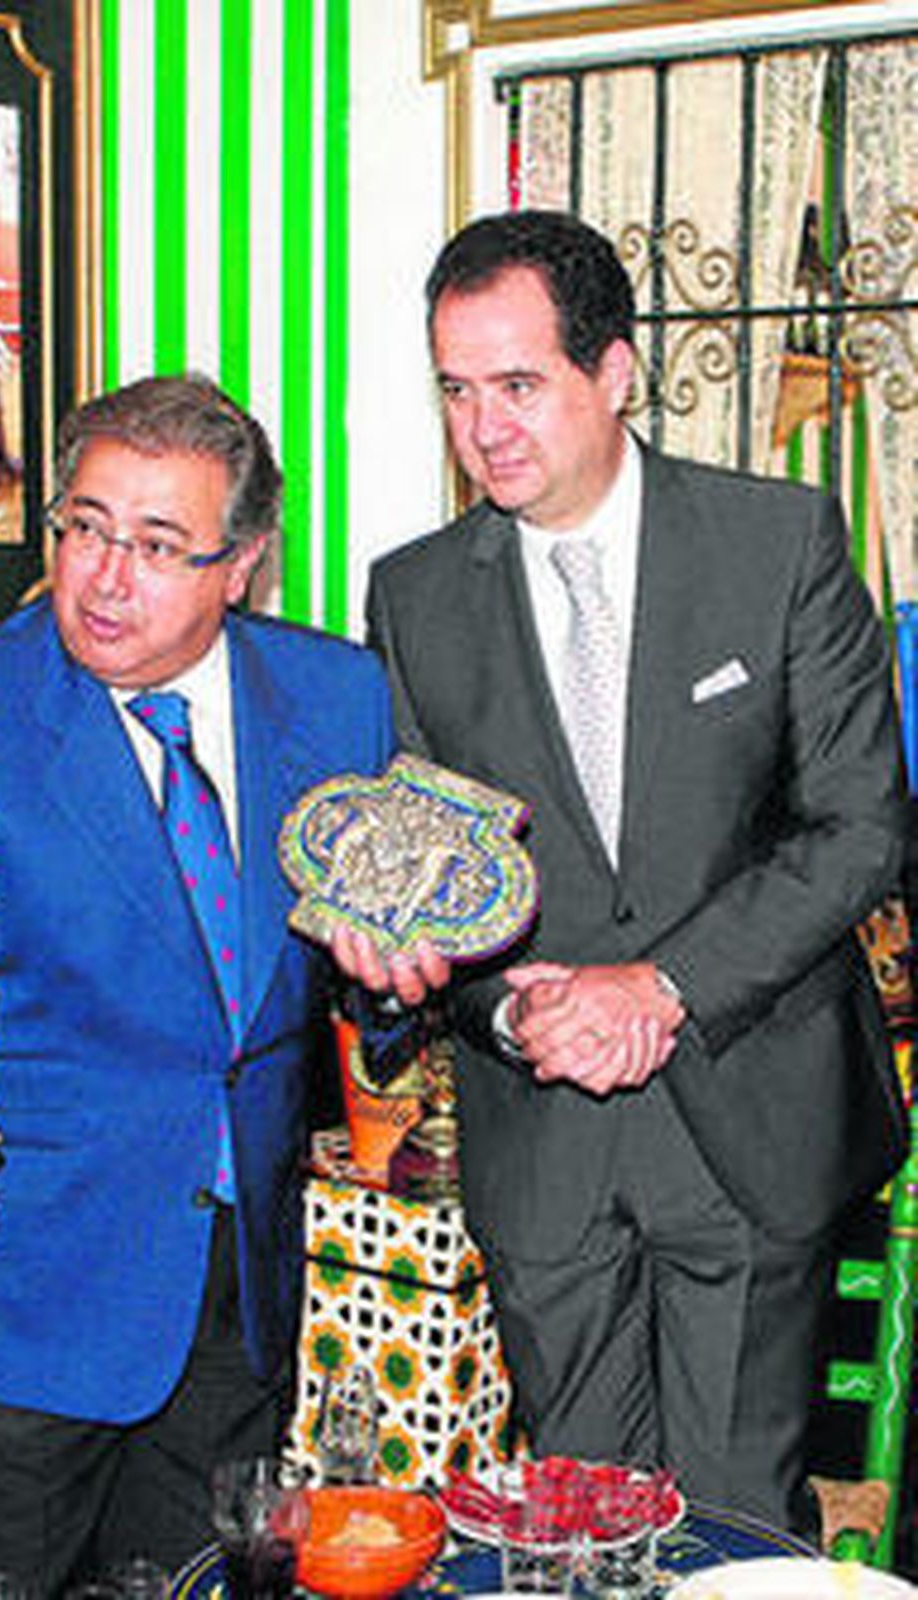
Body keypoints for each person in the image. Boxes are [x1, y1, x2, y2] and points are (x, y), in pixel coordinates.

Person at [364, 209, 908, 1530]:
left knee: (731, 1527)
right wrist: (499, 1005)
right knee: (574, 1528)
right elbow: (433, 877)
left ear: (613, 372)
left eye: (517, 383)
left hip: (748, 1117)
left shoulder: (777, 543)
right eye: (455, 390)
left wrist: (659, 986)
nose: (484, 427)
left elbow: (860, 828)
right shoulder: (414, 596)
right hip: (540, 1139)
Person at [0, 374, 400, 1596]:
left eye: (157, 545)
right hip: (39, 1285)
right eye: (85, 528)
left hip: (242, 1279)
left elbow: (362, 961)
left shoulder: (337, 697)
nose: (105, 577)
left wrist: (399, 978)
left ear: (241, 564)